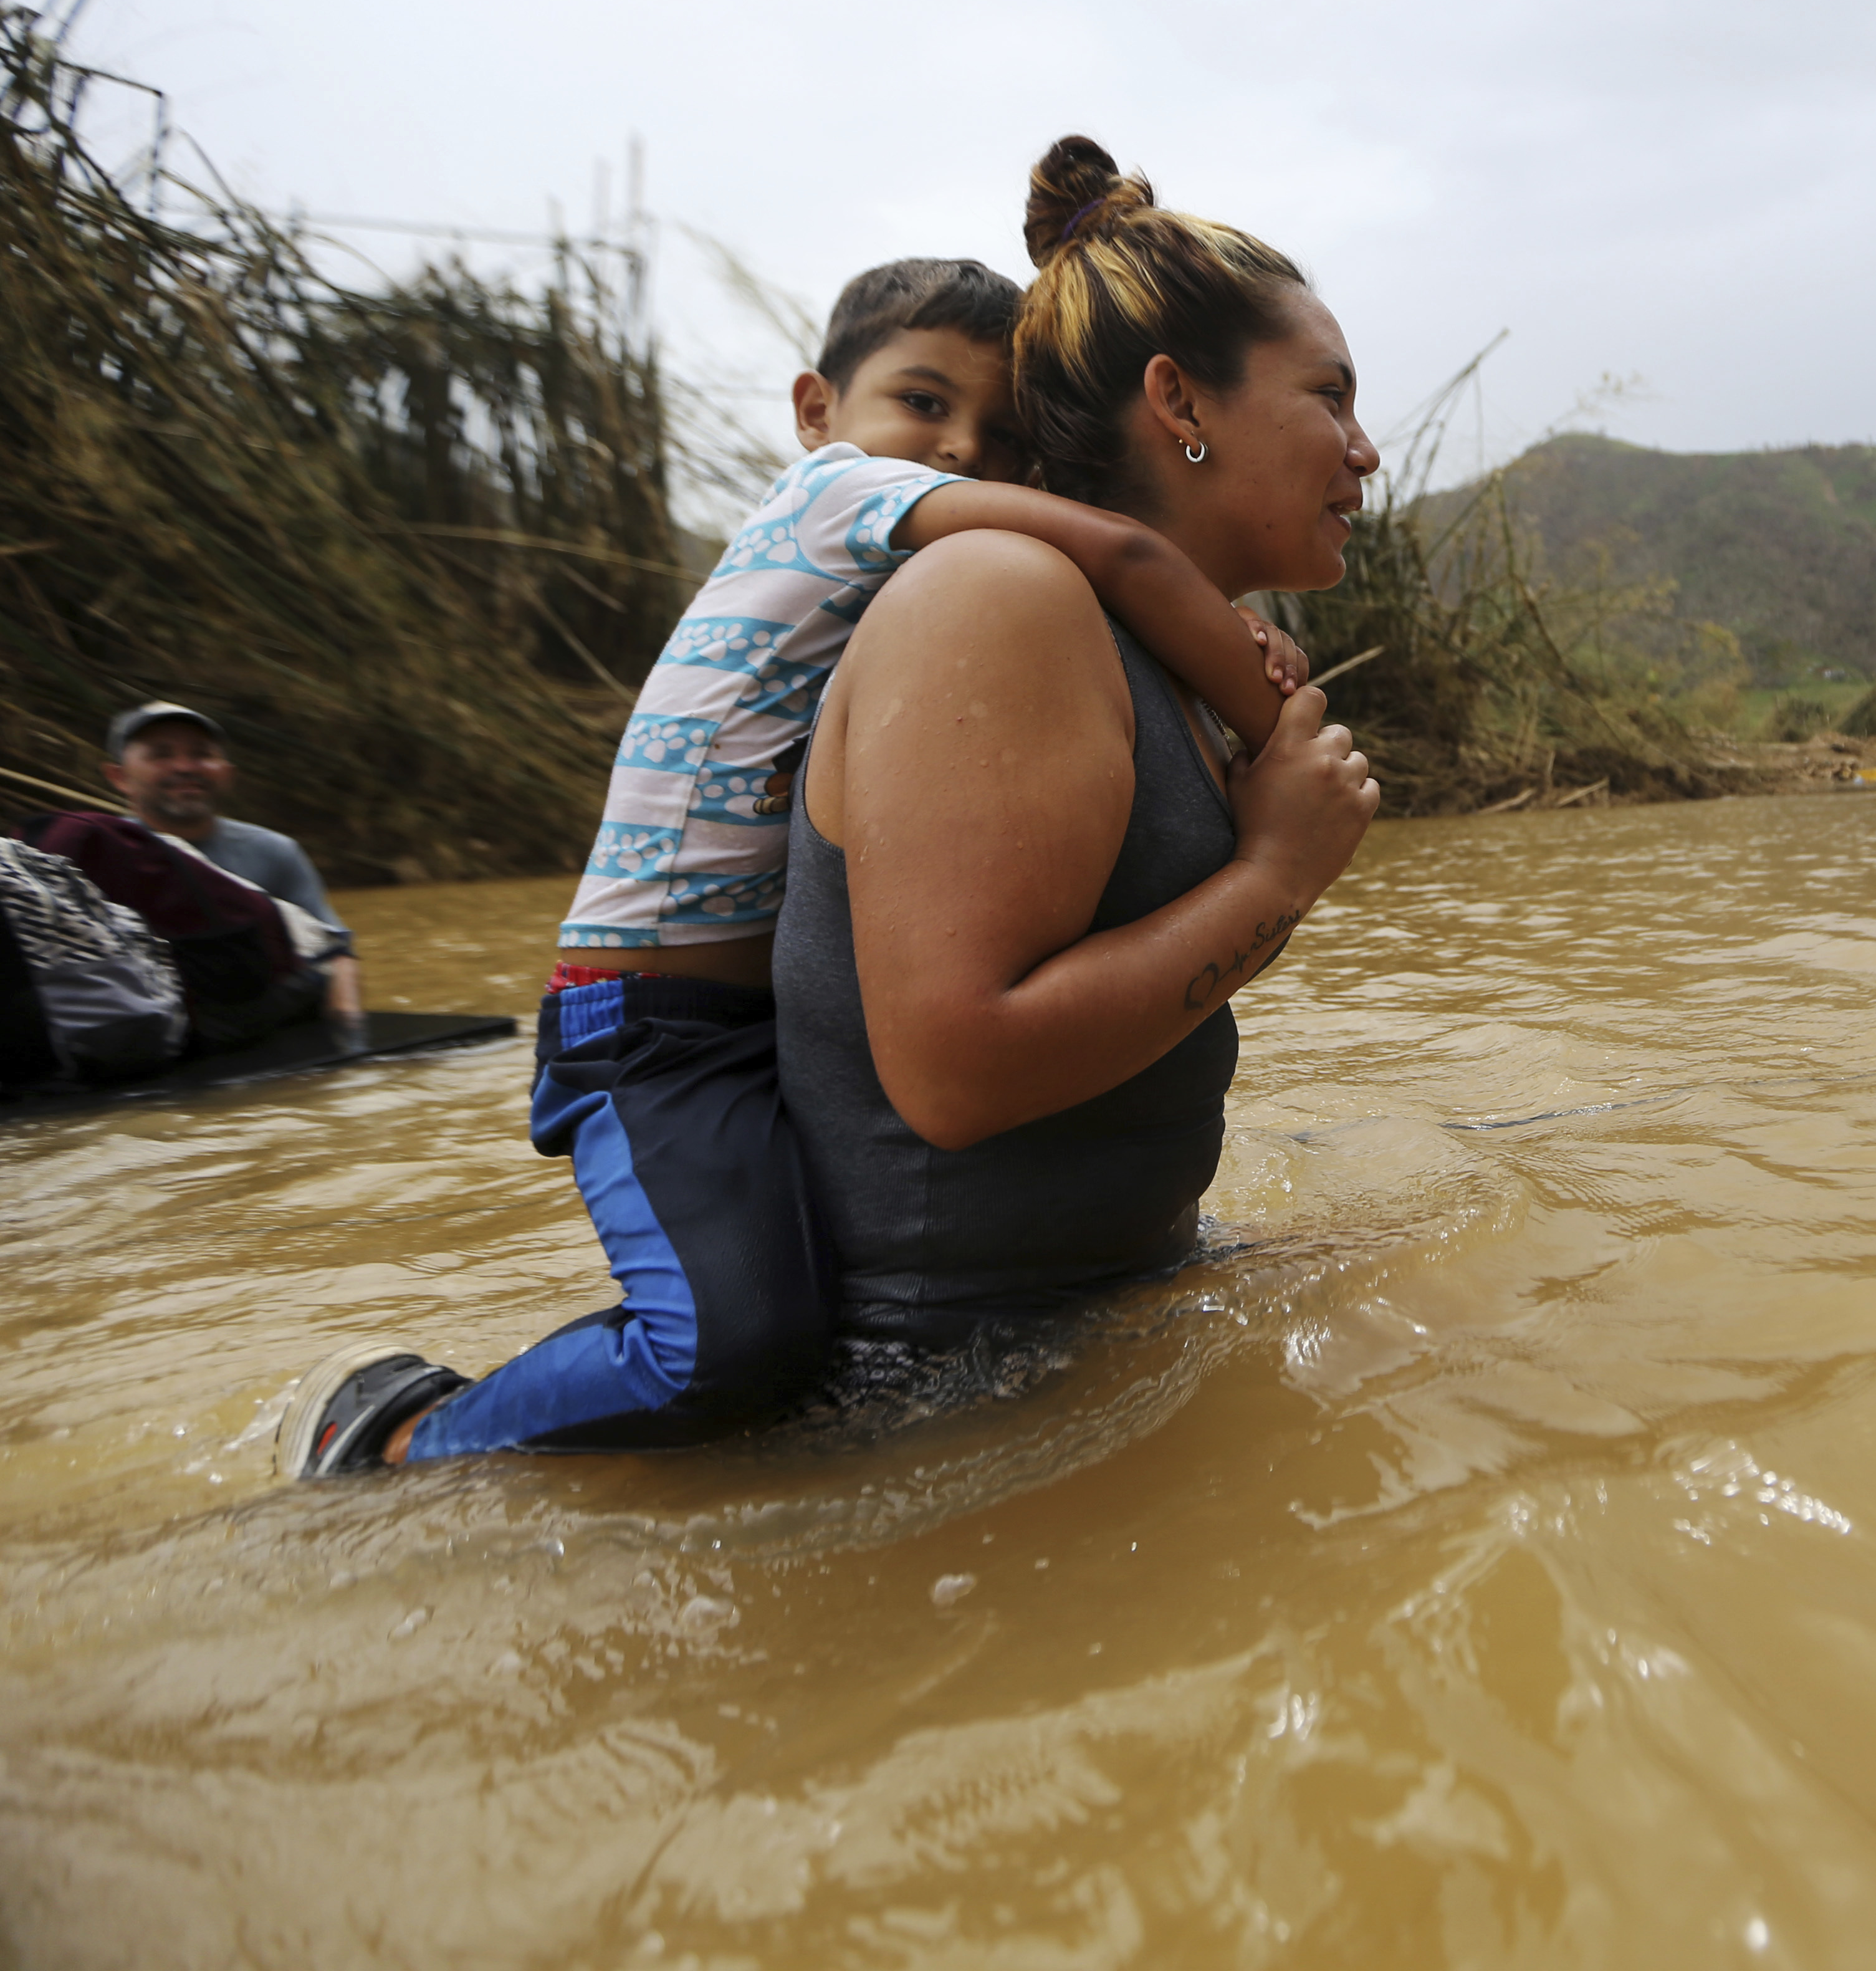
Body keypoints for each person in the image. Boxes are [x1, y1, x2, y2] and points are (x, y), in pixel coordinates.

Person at [274, 254, 1322, 1479]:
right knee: (727, 1343)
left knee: (789, 1306)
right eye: (923, 405)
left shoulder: (905, 596)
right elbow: (1130, 559)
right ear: (818, 413)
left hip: (744, 1006)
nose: (956, 451)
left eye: (996, 435)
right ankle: (402, 1435)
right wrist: (1275, 716)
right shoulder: (835, 502)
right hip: (645, 1022)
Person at [773, 137, 1379, 1346]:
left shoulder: (1174, 659)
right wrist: (1276, 876)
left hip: (1109, 1324)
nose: (1365, 451)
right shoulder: (1001, 599)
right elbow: (959, 1075)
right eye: (1330, 397)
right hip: (933, 1407)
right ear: (1180, 402)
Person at [99, 702, 361, 1038]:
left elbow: (336, 953)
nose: (184, 767)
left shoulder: (273, 851)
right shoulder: (98, 854)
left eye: (202, 754)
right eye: (161, 754)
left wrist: (349, 1035)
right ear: (119, 777)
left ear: (227, 772)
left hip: (262, 1023)